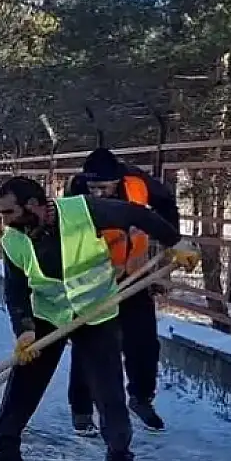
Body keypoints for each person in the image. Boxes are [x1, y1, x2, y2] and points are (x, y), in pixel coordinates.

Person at [0, 175, 198, 461]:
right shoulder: (13, 240)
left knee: (108, 394)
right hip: (48, 316)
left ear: (34, 206)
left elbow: (138, 214)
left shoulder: (84, 211)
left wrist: (176, 243)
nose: (3, 220)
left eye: (9, 212)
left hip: (96, 315)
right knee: (23, 384)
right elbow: (16, 292)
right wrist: (24, 332)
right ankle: (4, 453)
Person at [64, 148, 184, 434]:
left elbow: (166, 204)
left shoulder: (138, 182)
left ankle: (141, 398)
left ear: (116, 180)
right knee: (88, 345)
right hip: (93, 279)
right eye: (93, 188)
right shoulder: (75, 190)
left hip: (134, 274)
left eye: (103, 187)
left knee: (143, 342)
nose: (98, 194)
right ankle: (81, 410)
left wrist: (173, 243)